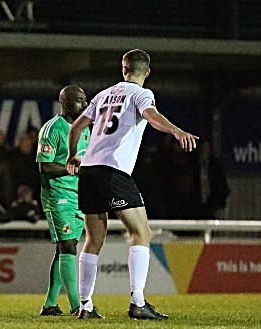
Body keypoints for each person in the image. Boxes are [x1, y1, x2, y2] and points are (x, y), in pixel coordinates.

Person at [66, 49, 198, 320]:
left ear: (123, 68)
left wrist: (72, 156)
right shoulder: (141, 94)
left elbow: (75, 128)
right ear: (147, 72)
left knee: (93, 239)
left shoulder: (103, 95)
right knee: (142, 233)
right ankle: (137, 302)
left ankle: (86, 306)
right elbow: (150, 115)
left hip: (89, 170)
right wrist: (176, 130)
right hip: (113, 171)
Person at [36, 86, 90, 317]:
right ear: (66, 104)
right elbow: (44, 165)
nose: (85, 104)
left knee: (65, 250)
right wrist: (74, 170)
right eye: (80, 101)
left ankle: (49, 304)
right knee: (67, 246)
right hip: (58, 196)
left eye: (85, 100)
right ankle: (78, 307)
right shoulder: (52, 129)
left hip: (79, 196)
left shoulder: (84, 129)